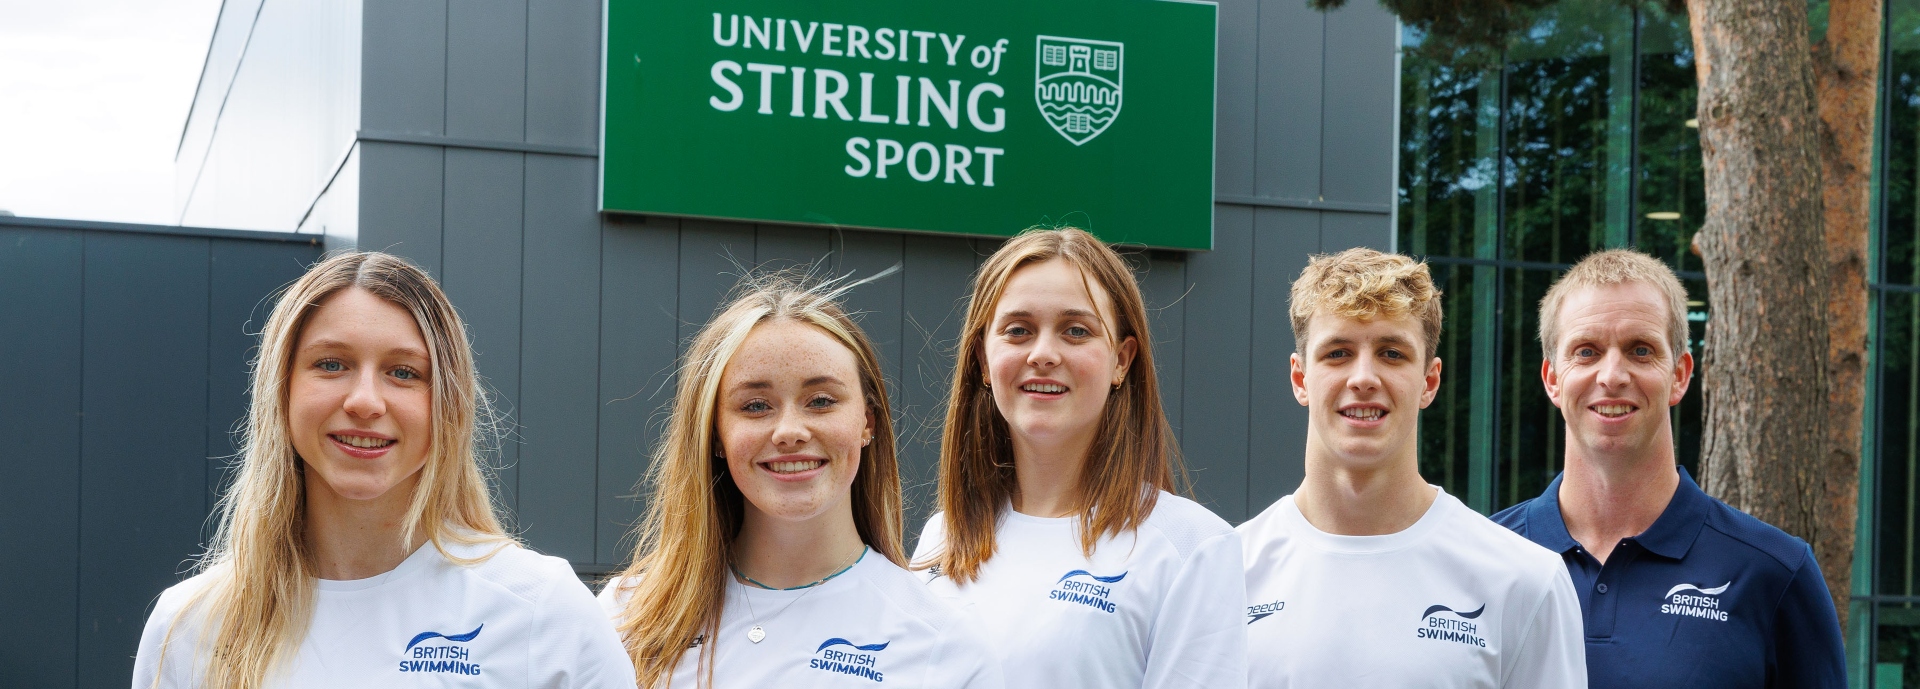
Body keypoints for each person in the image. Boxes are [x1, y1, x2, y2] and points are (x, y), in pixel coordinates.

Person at [132, 251, 635, 688]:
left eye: (403, 373)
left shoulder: (543, 613)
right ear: (280, 391)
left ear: (449, 406)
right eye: (331, 364)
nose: (366, 401)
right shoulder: (191, 624)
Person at [599, 270, 1003, 689]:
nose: (789, 431)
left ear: (867, 422)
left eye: (821, 401)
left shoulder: (943, 645)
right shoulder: (626, 617)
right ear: (715, 434)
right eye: (756, 406)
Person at [1491, 249, 1846, 688]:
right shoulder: (1483, 560)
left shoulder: (1773, 572)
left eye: (1641, 350)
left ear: (1679, 375)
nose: (1612, 375)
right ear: (1552, 378)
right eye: (1587, 351)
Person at [912, 227, 1247, 689]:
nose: (1044, 354)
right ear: (983, 362)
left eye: (1076, 330)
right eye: (1017, 331)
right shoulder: (941, 538)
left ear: (1121, 361)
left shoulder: (1192, 547)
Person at [1239, 248, 1586, 688]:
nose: (1363, 378)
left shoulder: (1524, 582)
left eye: (1391, 353)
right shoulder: (1225, 573)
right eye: (1338, 353)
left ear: (1430, 381)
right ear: (1300, 378)